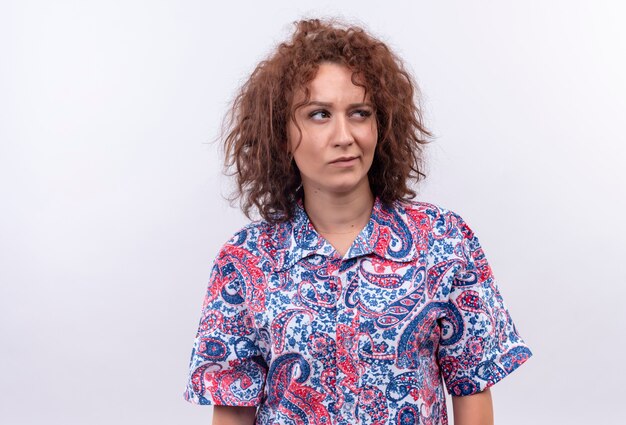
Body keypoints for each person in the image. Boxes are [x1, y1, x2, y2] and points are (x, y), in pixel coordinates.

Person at [183, 18, 532, 425]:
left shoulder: (443, 241)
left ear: (380, 125)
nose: (344, 135)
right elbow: (232, 408)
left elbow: (472, 384)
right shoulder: (245, 260)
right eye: (318, 114)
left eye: (359, 112)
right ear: (281, 134)